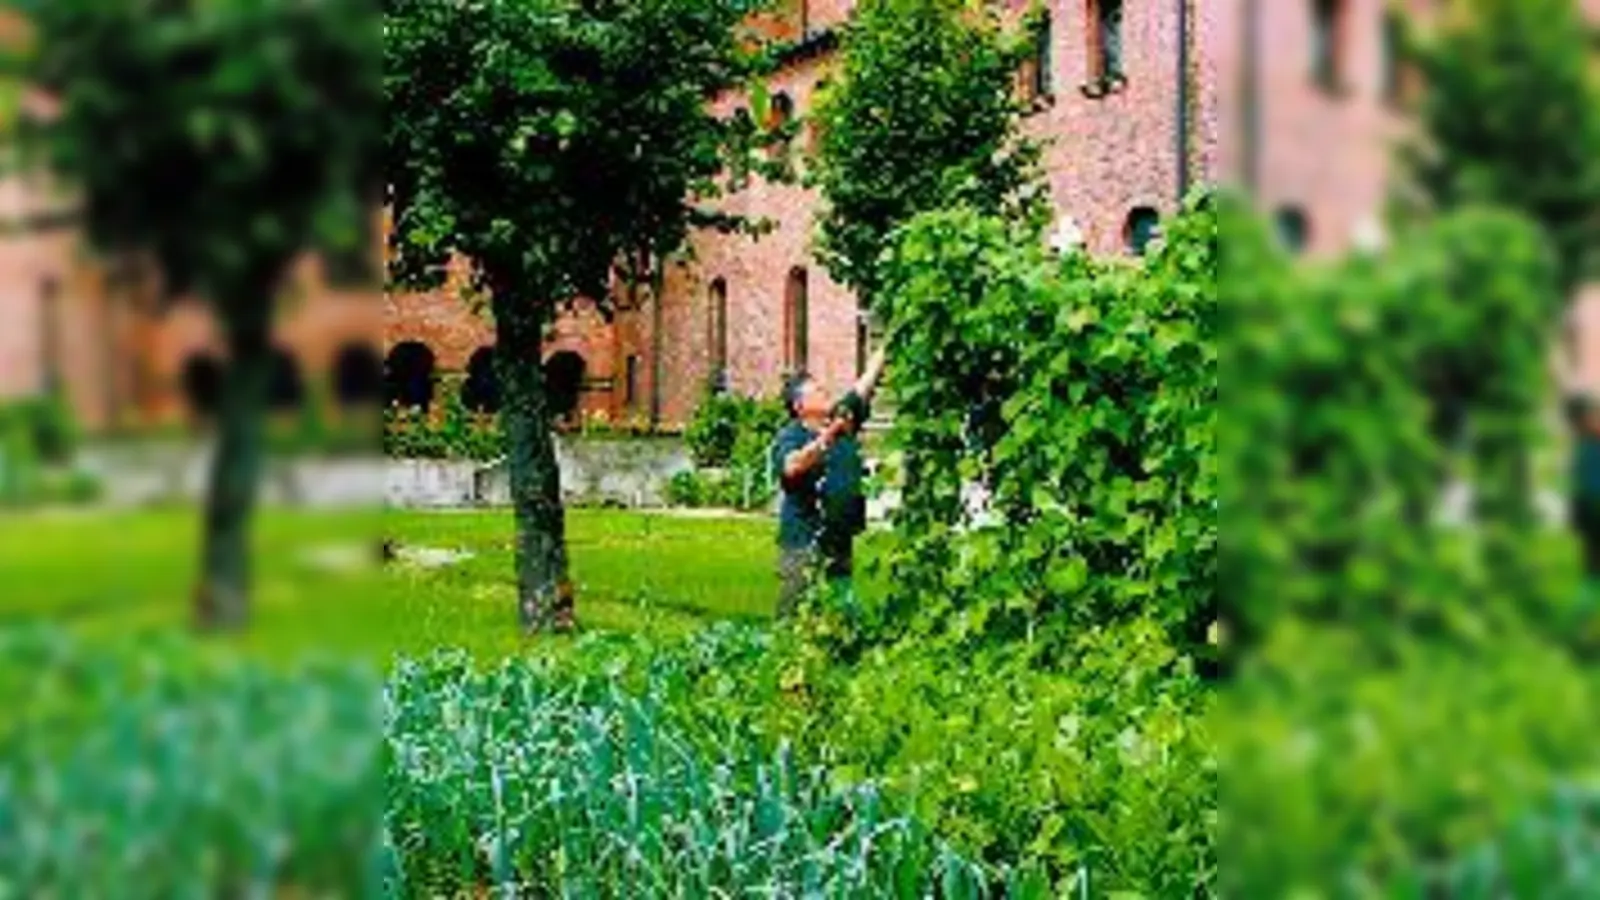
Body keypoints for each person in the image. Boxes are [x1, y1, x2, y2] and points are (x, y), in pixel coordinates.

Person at [771, 345, 890, 618]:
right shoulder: (791, 436)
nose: (826, 392)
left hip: (839, 539)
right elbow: (792, 466)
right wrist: (828, 437)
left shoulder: (841, 415)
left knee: (841, 614)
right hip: (805, 543)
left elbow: (866, 381)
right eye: (817, 391)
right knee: (795, 615)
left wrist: (889, 342)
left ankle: (841, 652)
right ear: (800, 407)